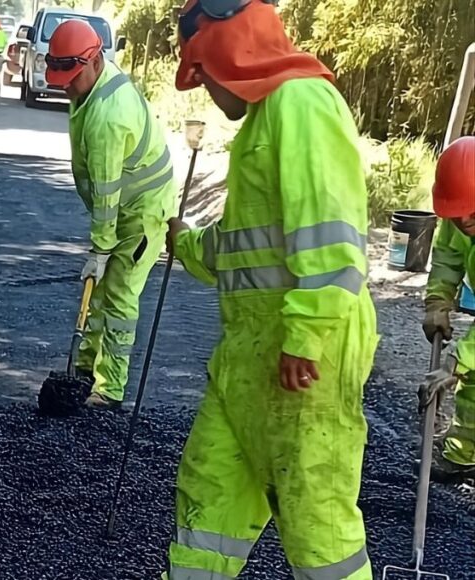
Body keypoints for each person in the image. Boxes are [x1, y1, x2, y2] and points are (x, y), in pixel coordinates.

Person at [164, 1, 378, 578]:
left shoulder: (302, 104)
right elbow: (245, 247)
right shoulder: (264, 121)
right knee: (208, 486)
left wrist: (305, 335)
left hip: (304, 360)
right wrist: (184, 244)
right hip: (249, 359)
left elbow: (333, 239)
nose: (205, 88)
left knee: (315, 516)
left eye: (203, 73)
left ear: (226, 53)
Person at [45, 19, 176, 410]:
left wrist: (100, 250)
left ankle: (110, 389)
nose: (65, 85)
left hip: (143, 213)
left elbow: (106, 193)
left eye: (71, 76)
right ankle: (83, 371)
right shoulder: (93, 88)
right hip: (126, 206)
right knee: (98, 293)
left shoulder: (108, 117)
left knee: (118, 296)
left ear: (95, 61)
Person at [421, 135, 475, 483]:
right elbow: (448, 257)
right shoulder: (458, 213)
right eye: (457, 214)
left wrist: (458, 361)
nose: (465, 220)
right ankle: (463, 452)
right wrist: (438, 300)